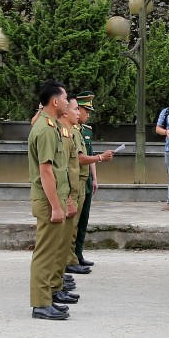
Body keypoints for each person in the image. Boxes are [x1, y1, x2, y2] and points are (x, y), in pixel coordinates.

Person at [28, 81, 75, 320]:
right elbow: (46, 171)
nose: (68, 102)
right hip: (48, 201)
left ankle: (47, 298)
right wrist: (56, 205)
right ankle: (40, 303)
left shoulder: (52, 126)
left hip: (54, 198)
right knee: (45, 253)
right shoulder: (46, 129)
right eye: (65, 98)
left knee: (51, 250)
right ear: (55, 101)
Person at [71, 92, 111, 272]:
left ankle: (78, 253)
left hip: (85, 179)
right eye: (85, 110)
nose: (87, 114)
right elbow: (83, 158)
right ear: (77, 109)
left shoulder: (86, 130)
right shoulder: (70, 130)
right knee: (73, 222)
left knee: (84, 219)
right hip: (75, 180)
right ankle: (71, 258)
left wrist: (94, 178)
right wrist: (101, 158)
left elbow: (90, 153)